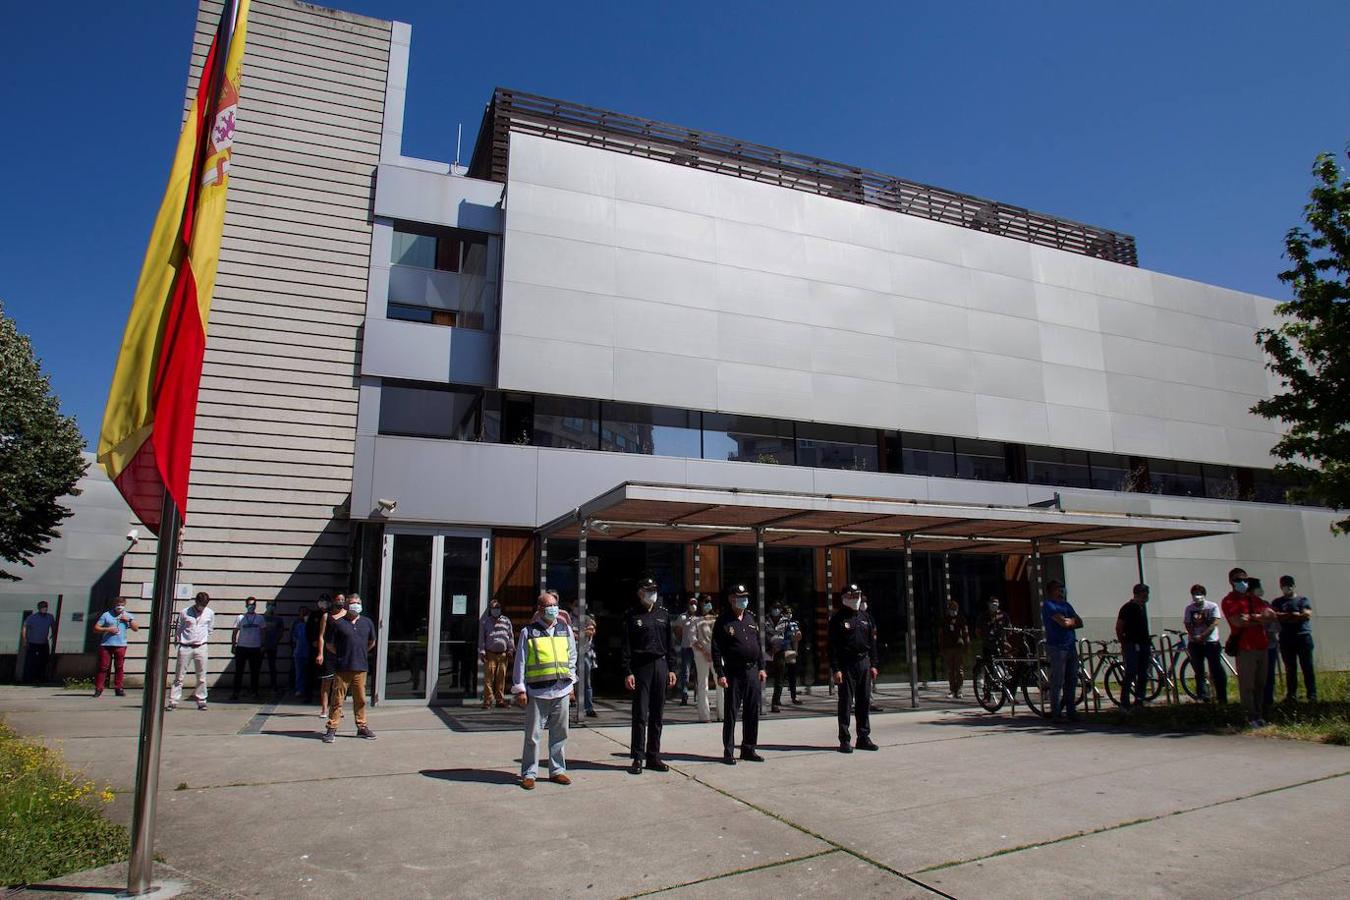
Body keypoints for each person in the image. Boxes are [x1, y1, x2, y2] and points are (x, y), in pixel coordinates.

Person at [511, 591, 577, 789]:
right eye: (549, 606)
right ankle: (529, 773)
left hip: (561, 690)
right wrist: (520, 689)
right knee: (533, 735)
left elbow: (571, 657)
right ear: (539, 609)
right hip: (538, 692)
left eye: (555, 605)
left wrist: (571, 683)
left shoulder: (565, 629)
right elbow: (520, 663)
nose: (553, 609)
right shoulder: (528, 632)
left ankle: (557, 770)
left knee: (560, 733)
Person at [622, 578, 678, 774]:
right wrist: (628, 671)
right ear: (640, 593)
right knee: (640, 714)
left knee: (657, 714)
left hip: (660, 665)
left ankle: (654, 756)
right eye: (648, 590)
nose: (652, 593)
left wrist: (672, 668)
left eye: (654, 589)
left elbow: (670, 644)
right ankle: (637, 757)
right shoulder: (632, 615)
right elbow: (626, 646)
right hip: (641, 667)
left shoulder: (663, 614)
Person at [712, 585, 767, 764]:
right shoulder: (723, 621)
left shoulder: (750, 617)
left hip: (752, 671)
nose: (743, 599)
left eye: (745, 596)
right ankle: (729, 751)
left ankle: (749, 749)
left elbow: (758, 645)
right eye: (739, 596)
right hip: (733, 672)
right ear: (731, 598)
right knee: (731, 713)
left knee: (752, 712)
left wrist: (762, 667)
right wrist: (720, 674)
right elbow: (716, 649)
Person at [1220, 568, 1274, 727]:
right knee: (1247, 685)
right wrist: (1259, 619)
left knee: (1261, 683)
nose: (1242, 582)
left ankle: (1260, 715)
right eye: (1237, 579)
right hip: (1245, 648)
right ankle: (1250, 717)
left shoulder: (1253, 599)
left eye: (1244, 579)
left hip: (1262, 645)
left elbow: (1270, 615)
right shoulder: (1229, 600)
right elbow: (1237, 621)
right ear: (1231, 581)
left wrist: (1251, 618)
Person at [830, 584, 880, 752]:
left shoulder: (866, 617)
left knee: (864, 701)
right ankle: (845, 739)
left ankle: (863, 737)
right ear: (844, 598)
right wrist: (835, 669)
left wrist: (873, 664)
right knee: (845, 702)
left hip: (864, 663)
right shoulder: (837, 619)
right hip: (846, 664)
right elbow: (832, 647)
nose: (856, 599)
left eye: (857, 595)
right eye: (852, 596)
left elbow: (872, 643)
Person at [322, 593, 377, 743]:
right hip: (343, 667)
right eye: (352, 603)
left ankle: (362, 726)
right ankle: (332, 728)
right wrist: (342, 654)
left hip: (361, 666)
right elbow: (330, 645)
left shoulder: (367, 622)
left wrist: (361, 652)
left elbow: (371, 641)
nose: (355, 605)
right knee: (337, 699)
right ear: (347, 605)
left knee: (360, 699)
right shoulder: (338, 623)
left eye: (357, 603)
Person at [1040, 581, 1081, 722]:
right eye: (1059, 589)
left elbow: (1079, 621)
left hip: (1070, 646)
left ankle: (1071, 711)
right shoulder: (1048, 605)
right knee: (1057, 680)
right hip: (1057, 647)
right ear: (1052, 590)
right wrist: (1070, 622)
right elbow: (1062, 622)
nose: (1062, 591)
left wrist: (1069, 621)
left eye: (1062, 589)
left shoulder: (1067, 605)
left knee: (1071, 680)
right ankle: (1056, 713)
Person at [1273, 575, 1316, 702]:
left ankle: (1312, 694)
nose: (1288, 586)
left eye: (1290, 584)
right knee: (1290, 668)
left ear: (1294, 585)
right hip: (1286, 638)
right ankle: (1292, 695)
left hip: (1303, 637)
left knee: (1307, 667)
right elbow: (1275, 616)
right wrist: (1294, 615)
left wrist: (1287, 617)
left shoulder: (1303, 599)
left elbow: (1306, 615)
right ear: (1281, 586)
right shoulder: (1277, 602)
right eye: (1285, 584)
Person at [169, 592, 214, 710]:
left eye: (204, 605)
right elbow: (179, 627)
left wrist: (202, 638)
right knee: (179, 675)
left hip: (201, 646)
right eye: (200, 604)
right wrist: (178, 639)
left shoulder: (210, 613)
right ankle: (174, 700)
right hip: (186, 646)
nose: (202, 607)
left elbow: (210, 629)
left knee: (202, 676)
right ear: (196, 602)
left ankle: (201, 700)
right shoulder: (185, 612)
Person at [1183, 585, 1227, 704]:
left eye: (1199, 593)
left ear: (1204, 594)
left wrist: (1203, 636)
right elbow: (1187, 623)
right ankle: (1202, 696)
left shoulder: (1212, 606)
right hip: (1194, 643)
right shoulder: (1189, 608)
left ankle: (1221, 697)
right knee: (1198, 671)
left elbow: (1214, 623)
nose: (1196, 596)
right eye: (1194, 593)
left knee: (1216, 669)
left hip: (1211, 642)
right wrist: (1194, 636)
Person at [1115, 584, 1152, 712]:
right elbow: (1119, 627)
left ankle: (1139, 700)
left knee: (1143, 673)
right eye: (1145, 592)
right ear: (1138, 593)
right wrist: (1124, 643)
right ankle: (1124, 702)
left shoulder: (1142, 608)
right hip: (1132, 644)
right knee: (1131, 672)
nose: (1147, 595)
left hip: (1144, 644)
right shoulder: (1128, 608)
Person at [93, 599, 138, 698]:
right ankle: (99, 688)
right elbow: (96, 628)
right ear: (114, 605)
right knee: (103, 667)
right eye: (118, 605)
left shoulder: (127, 615)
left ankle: (119, 688)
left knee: (119, 667)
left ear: (124, 605)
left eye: (121, 605)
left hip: (121, 644)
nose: (119, 607)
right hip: (106, 644)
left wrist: (129, 620)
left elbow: (136, 628)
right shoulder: (106, 615)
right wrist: (107, 629)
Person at [478, 598, 515, 709]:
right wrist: (482, 651)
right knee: (489, 678)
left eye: (498, 607)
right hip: (490, 653)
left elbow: (510, 636)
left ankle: (500, 700)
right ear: (490, 609)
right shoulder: (486, 622)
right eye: (494, 608)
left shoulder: (506, 621)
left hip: (503, 654)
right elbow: (482, 638)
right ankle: (488, 701)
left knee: (501, 677)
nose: (496, 609)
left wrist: (511, 649)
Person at [314, 596, 346, 719]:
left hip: (342, 652)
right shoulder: (327, 616)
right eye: (338, 600)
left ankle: (338, 708)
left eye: (343, 600)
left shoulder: (347, 616)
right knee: (326, 682)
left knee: (340, 683)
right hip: (329, 652)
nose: (340, 602)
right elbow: (321, 636)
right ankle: (324, 708)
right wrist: (320, 653)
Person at [768, 602, 803, 712]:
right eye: (775, 608)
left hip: (780, 652)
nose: (776, 610)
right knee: (761, 678)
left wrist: (782, 645)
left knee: (779, 679)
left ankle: (775, 703)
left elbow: (789, 637)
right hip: (766, 651)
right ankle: (757, 701)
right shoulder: (764, 620)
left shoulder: (786, 622)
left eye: (778, 608)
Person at [230, 597, 266, 701]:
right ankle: (236, 692)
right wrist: (233, 645)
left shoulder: (260, 618)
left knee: (255, 671)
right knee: (238, 671)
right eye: (250, 605)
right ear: (246, 606)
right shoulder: (240, 617)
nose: (252, 607)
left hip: (255, 648)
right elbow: (235, 632)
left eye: (253, 605)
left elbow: (263, 632)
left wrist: (263, 645)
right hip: (242, 647)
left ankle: (254, 692)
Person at [691, 596, 718, 723]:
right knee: (703, 684)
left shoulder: (716, 619)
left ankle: (723, 714)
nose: (708, 604)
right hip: (701, 655)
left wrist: (715, 652)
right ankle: (704, 716)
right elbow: (693, 639)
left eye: (710, 601)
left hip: (716, 654)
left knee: (721, 683)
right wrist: (705, 651)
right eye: (706, 602)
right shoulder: (695, 620)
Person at [937, 596, 970, 699]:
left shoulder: (961, 619)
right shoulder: (944, 620)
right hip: (948, 647)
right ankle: (952, 690)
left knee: (959, 669)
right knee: (950, 670)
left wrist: (967, 644)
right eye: (951, 609)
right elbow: (941, 634)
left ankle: (959, 689)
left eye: (955, 609)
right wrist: (941, 647)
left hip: (958, 647)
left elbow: (965, 632)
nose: (953, 611)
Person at [21, 600, 56, 684]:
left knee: (44, 661)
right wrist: (25, 639)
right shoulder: (32, 617)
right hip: (33, 642)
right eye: (42, 607)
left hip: (43, 642)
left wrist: (53, 633)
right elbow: (25, 627)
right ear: (39, 608)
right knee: (31, 661)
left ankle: (41, 677)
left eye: (45, 607)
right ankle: (28, 678)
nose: (44, 609)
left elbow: (53, 625)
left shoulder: (50, 617)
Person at [675, 595, 700, 706]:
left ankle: (699, 697)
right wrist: (683, 640)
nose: (693, 606)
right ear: (688, 605)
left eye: (695, 604)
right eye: (691, 604)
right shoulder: (682, 617)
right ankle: (684, 696)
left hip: (698, 649)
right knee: (686, 673)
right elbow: (677, 631)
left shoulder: (700, 618)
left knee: (699, 673)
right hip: (686, 648)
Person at [262, 600, 285, 695]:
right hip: (261, 646)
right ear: (266, 606)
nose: (271, 607)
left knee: (272, 667)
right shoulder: (261, 618)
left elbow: (281, 632)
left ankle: (274, 686)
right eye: (270, 605)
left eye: (273, 605)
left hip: (272, 645)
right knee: (256, 666)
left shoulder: (278, 619)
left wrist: (276, 640)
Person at [579, 611, 598, 718]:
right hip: (570, 654)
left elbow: (590, 631)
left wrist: (576, 632)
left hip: (585, 652)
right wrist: (582, 632)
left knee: (587, 683)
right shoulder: (568, 617)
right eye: (575, 604)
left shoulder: (587, 618)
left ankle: (589, 708)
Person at [290, 612, 309, 699]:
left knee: (308, 674)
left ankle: (307, 690)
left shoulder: (311, 626)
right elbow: (294, 637)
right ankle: (299, 689)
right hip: (299, 652)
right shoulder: (298, 626)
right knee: (299, 673)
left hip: (309, 653)